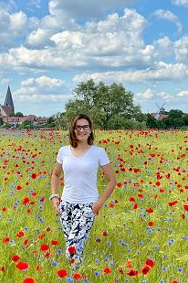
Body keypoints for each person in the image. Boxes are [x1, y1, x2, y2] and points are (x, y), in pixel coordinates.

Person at [50, 113, 116, 270]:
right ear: (73, 129)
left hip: (87, 206)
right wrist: (54, 196)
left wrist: (99, 204)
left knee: (73, 247)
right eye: (78, 127)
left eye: (85, 127)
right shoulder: (63, 151)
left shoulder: (98, 152)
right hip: (65, 206)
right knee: (72, 247)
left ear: (90, 129)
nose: (82, 130)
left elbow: (112, 180)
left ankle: (74, 275)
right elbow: (55, 174)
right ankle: (75, 275)